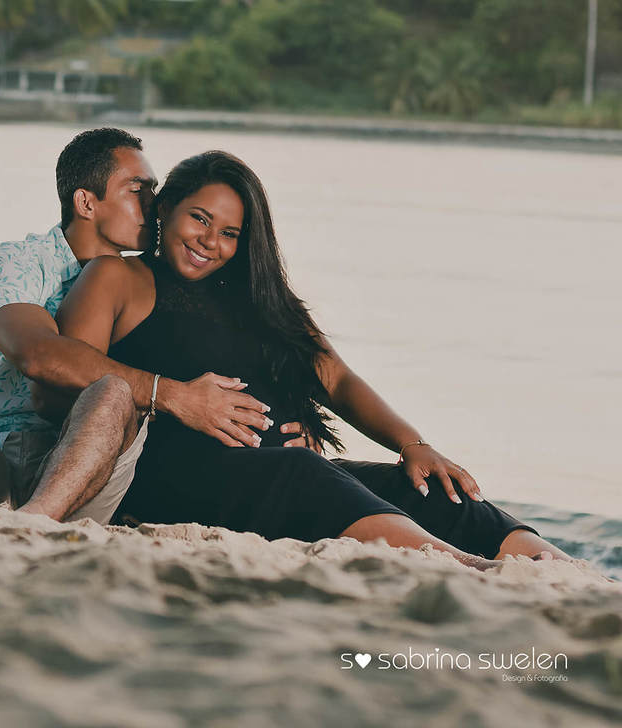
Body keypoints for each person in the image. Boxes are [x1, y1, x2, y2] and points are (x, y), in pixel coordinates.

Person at [53, 150, 571, 568]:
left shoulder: (258, 299)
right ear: (165, 209)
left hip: (279, 475)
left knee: (426, 487)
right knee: (302, 470)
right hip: (170, 475)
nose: (210, 242)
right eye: (200, 219)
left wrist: (414, 445)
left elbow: (337, 378)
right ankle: (461, 567)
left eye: (230, 233)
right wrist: (174, 398)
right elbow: (67, 378)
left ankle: (556, 567)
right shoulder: (117, 278)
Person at [0, 129, 302, 523]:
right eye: (137, 190)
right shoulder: (19, 263)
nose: (155, 203)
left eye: (155, 190)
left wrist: (287, 432)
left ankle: (35, 523)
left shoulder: (159, 281)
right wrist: (172, 395)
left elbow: (230, 365)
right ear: (86, 203)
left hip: (85, 467)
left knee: (112, 392)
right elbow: (37, 353)